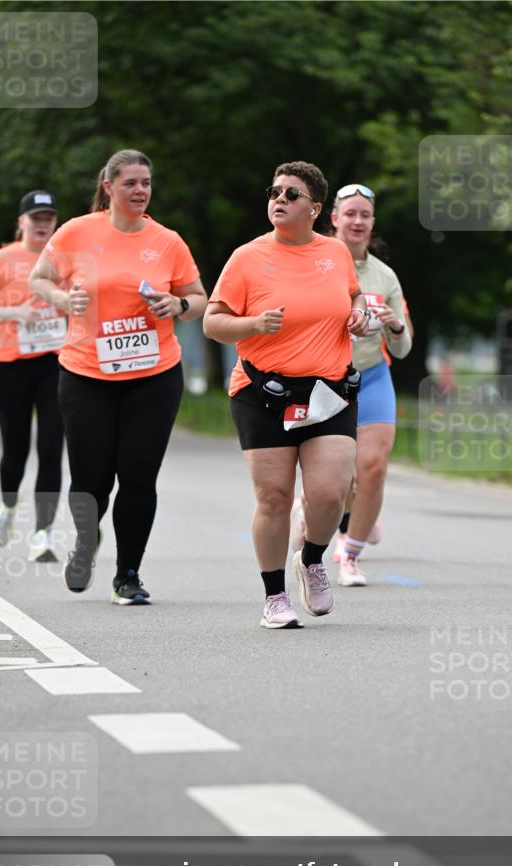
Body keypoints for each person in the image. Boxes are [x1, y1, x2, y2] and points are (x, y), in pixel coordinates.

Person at [30, 148, 206, 605]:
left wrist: (178, 305)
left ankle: (128, 573)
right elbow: (40, 279)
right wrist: (63, 301)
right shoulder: (77, 232)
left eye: (146, 183)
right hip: (86, 373)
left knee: (137, 474)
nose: (140, 191)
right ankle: (86, 544)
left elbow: (199, 298)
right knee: (90, 479)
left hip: (153, 374)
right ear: (108, 187)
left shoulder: (167, 241)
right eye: (130, 183)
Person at [203, 160, 369, 629]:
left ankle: (312, 559)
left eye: (291, 194)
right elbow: (213, 323)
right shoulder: (247, 257)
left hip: (328, 391)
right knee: (274, 498)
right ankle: (274, 596)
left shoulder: (335, 253)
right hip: (262, 393)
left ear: (315, 209)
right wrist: (252, 324)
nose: (279, 199)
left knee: (330, 492)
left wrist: (356, 313)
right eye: (275, 191)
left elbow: (352, 295)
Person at [291, 183, 413, 586]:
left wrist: (393, 324)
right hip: (326, 378)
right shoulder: (315, 260)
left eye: (365, 215)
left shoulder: (385, 275)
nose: (358, 221)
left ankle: (351, 555)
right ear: (334, 219)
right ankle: (308, 512)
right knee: (337, 476)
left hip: (373, 375)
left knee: (373, 468)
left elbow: (406, 345)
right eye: (350, 214)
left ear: (372, 222)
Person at [0, 192, 65, 562]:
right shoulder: (1, 259)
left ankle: (42, 534)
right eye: (35, 217)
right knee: (15, 450)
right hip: (10, 362)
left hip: (55, 361)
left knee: (52, 449)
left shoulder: (65, 258)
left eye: (49, 217)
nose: (42, 224)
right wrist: (14, 314)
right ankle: (8, 509)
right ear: (21, 221)